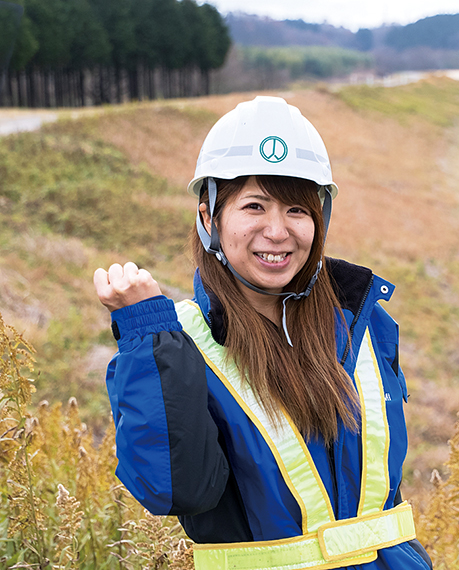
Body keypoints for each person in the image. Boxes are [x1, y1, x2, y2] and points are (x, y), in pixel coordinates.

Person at [93, 96, 432, 570]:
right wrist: (146, 337)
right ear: (209, 217)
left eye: (297, 209)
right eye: (255, 205)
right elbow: (175, 488)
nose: (277, 231)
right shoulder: (181, 342)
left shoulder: (363, 321)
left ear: (320, 219)